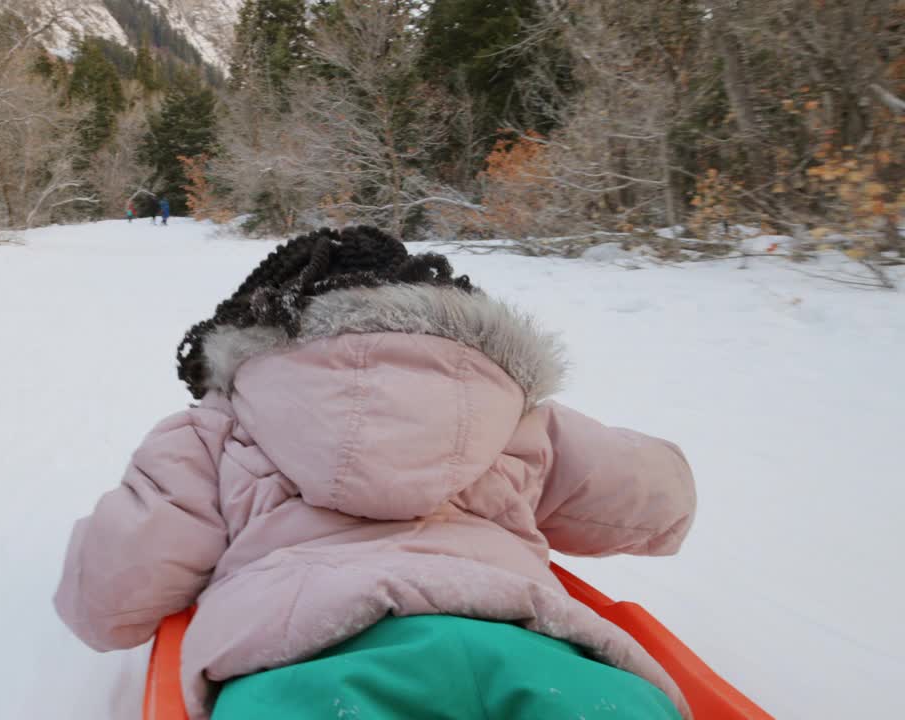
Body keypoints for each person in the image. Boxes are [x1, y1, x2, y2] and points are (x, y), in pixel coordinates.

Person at [54, 226, 696, 720]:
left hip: (298, 662)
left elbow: (110, 598)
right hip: (533, 643)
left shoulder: (214, 427)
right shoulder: (514, 412)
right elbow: (657, 501)